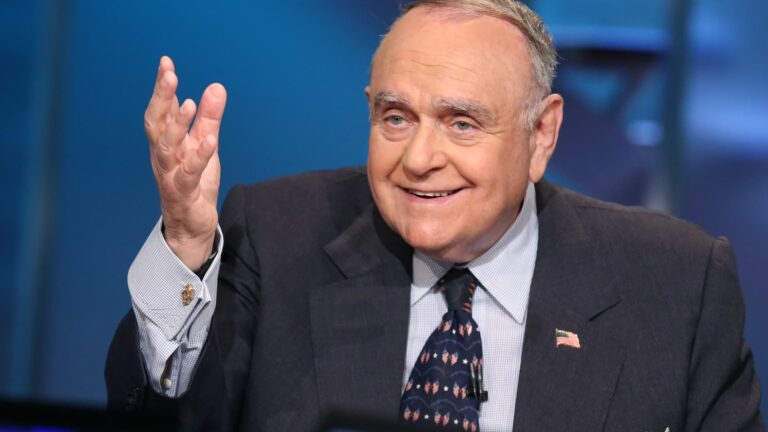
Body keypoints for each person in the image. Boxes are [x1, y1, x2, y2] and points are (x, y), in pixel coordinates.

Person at [105, 1, 764, 431]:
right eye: (396, 118)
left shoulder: (676, 283)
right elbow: (157, 420)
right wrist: (186, 242)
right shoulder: (278, 232)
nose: (419, 159)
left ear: (542, 135)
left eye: (462, 123)